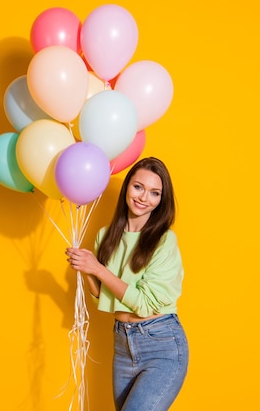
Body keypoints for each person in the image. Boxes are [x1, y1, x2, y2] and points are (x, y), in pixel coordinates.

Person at [66, 156, 188, 411]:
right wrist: (85, 269)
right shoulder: (106, 236)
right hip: (122, 344)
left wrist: (98, 269)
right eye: (138, 187)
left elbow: (144, 305)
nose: (144, 197)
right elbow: (103, 298)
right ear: (127, 187)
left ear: (161, 201)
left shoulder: (164, 242)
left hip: (161, 344)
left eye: (155, 193)